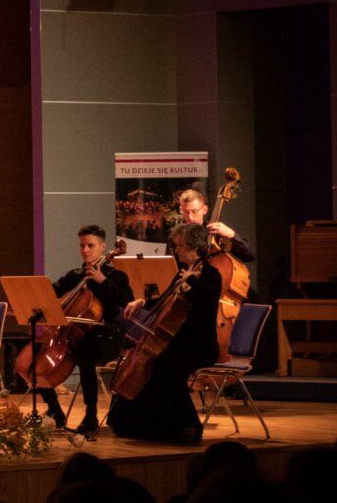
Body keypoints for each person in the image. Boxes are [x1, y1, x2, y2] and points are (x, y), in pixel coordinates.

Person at [108, 223, 221, 442]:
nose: (176, 250)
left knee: (166, 366)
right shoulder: (182, 272)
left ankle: (188, 426)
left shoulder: (210, 274)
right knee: (153, 364)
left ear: (194, 246)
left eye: (180, 246)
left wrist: (191, 282)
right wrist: (142, 302)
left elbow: (206, 302)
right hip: (177, 343)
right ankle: (142, 425)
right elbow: (165, 299)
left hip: (201, 346)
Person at [26, 225, 133, 435]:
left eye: (90, 245)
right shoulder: (75, 275)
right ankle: (55, 411)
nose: (85, 250)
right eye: (82, 245)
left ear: (102, 247)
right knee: (35, 355)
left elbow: (126, 301)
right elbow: (51, 292)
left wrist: (103, 281)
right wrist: (38, 295)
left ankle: (91, 414)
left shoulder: (116, 276)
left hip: (105, 337)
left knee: (85, 350)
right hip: (72, 335)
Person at [170, 188, 255, 263]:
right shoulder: (176, 236)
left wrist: (231, 234)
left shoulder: (215, 232)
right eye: (185, 212)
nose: (190, 217)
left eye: (194, 211)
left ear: (204, 210)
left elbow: (249, 256)